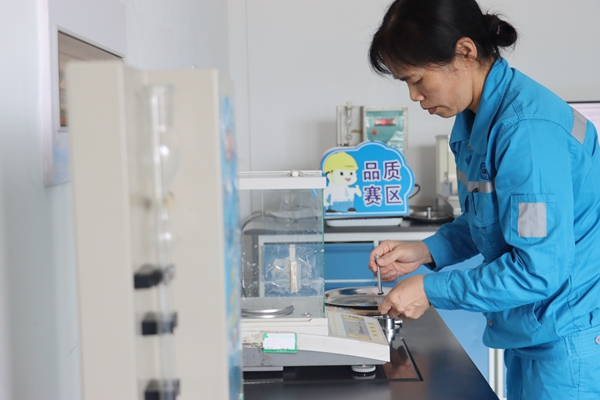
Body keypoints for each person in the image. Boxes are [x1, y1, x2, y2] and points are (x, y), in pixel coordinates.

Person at [366, 0, 600, 399]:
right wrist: (426, 251)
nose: (414, 96)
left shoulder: (526, 131)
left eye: (417, 79)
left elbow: (537, 269)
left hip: (566, 341)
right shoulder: (476, 121)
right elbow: (494, 219)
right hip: (532, 331)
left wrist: (431, 290)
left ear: (465, 51)